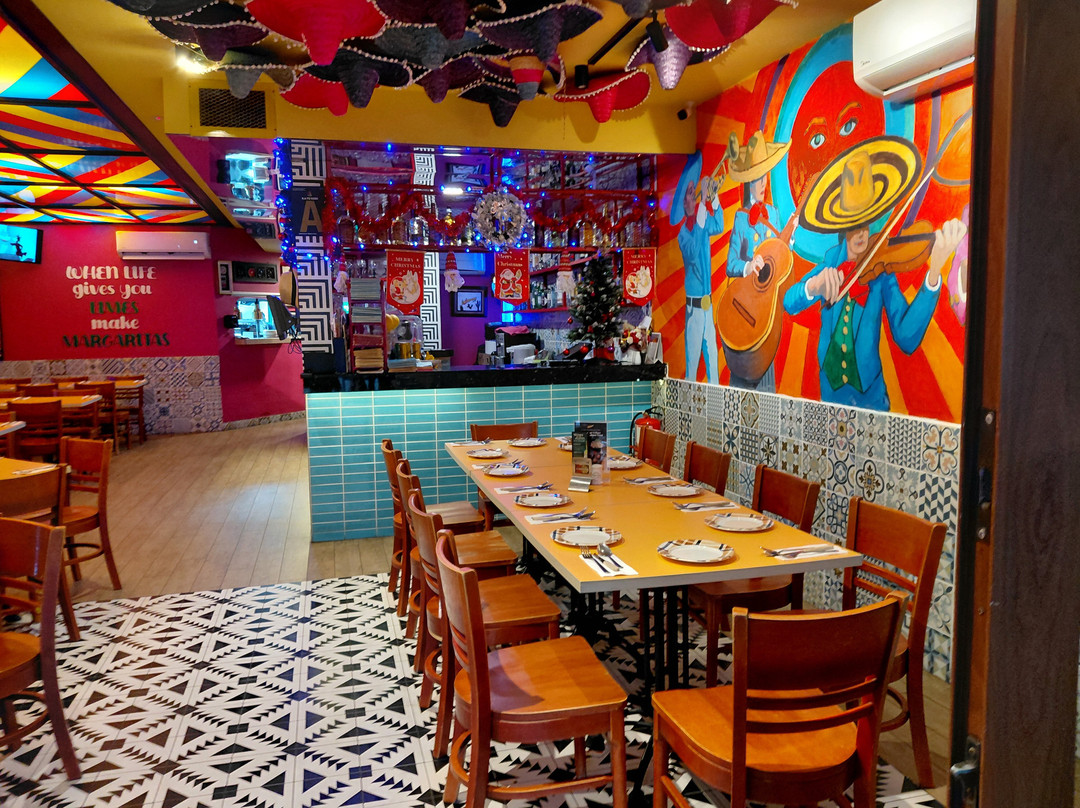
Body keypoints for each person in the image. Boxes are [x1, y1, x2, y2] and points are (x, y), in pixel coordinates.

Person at [784, 138, 967, 411]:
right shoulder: (830, 262)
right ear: (842, 225)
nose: (862, 232)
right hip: (828, 397)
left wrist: (934, 270)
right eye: (854, 223)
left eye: (867, 221)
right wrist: (813, 286)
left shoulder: (881, 273)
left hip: (871, 400)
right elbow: (789, 302)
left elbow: (906, 337)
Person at [723, 130, 794, 391]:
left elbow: (780, 257)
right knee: (739, 388)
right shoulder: (741, 218)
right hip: (743, 310)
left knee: (766, 390)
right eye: (757, 178)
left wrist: (790, 240)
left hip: (765, 317)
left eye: (765, 176)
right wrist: (748, 266)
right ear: (749, 182)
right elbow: (730, 264)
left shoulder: (774, 215)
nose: (763, 183)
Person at [672, 151, 724, 384]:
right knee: (692, 368)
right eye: (691, 194)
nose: (695, 196)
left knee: (713, 360)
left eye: (695, 191)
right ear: (685, 203)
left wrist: (714, 197)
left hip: (707, 304)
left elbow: (719, 225)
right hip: (694, 310)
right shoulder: (684, 235)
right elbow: (693, 251)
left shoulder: (702, 223)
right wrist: (704, 204)